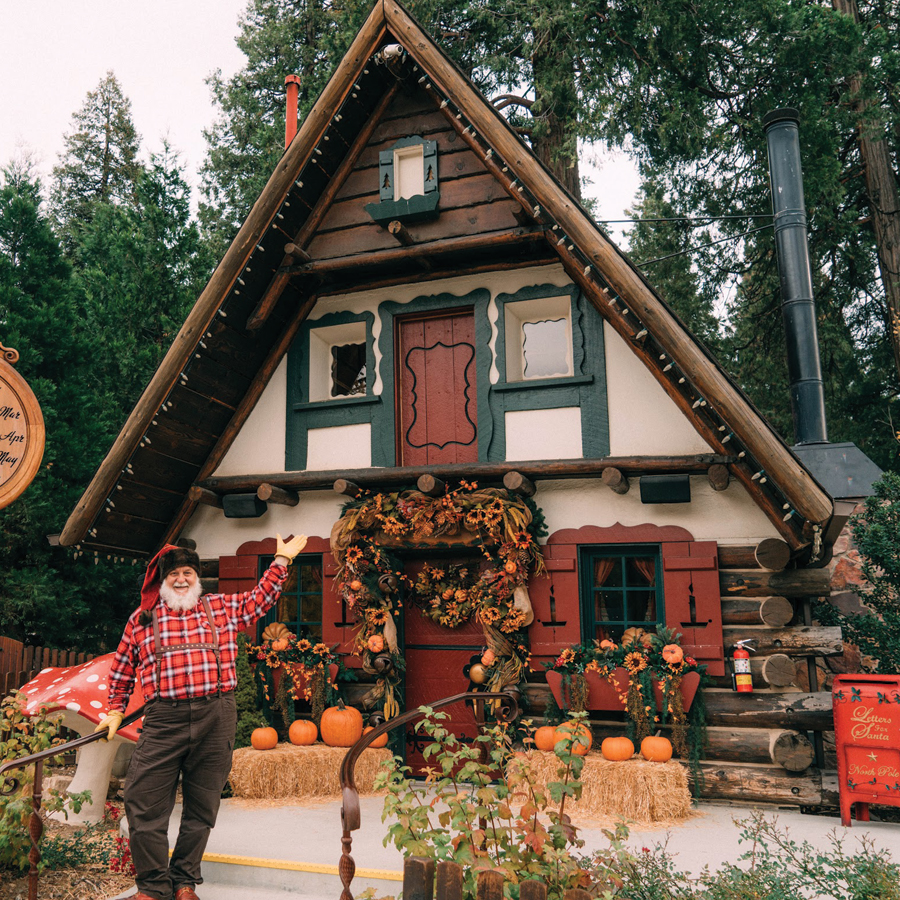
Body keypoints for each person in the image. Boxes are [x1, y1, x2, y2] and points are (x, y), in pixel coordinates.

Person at [94, 533, 307, 900]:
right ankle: (153, 887)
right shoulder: (142, 620)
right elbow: (122, 670)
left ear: (197, 577)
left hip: (216, 714)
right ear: (162, 581)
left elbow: (260, 600)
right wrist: (115, 709)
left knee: (202, 806)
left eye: (188, 572)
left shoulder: (221, 608)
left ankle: (185, 881)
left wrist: (281, 561)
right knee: (143, 804)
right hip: (163, 721)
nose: (181, 579)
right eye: (174, 573)